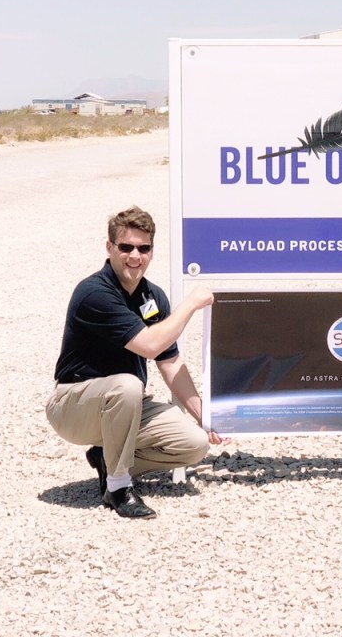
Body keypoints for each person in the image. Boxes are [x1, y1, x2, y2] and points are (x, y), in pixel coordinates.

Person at [46, 206, 223, 519]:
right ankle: (118, 488)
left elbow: (169, 361)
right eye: (126, 247)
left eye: (144, 248)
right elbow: (151, 345)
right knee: (128, 384)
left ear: (152, 251)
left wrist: (204, 416)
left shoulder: (152, 298)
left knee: (194, 445)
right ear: (110, 248)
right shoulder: (95, 294)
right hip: (74, 407)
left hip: (126, 406)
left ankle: (106, 458)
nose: (134, 256)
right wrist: (191, 305)